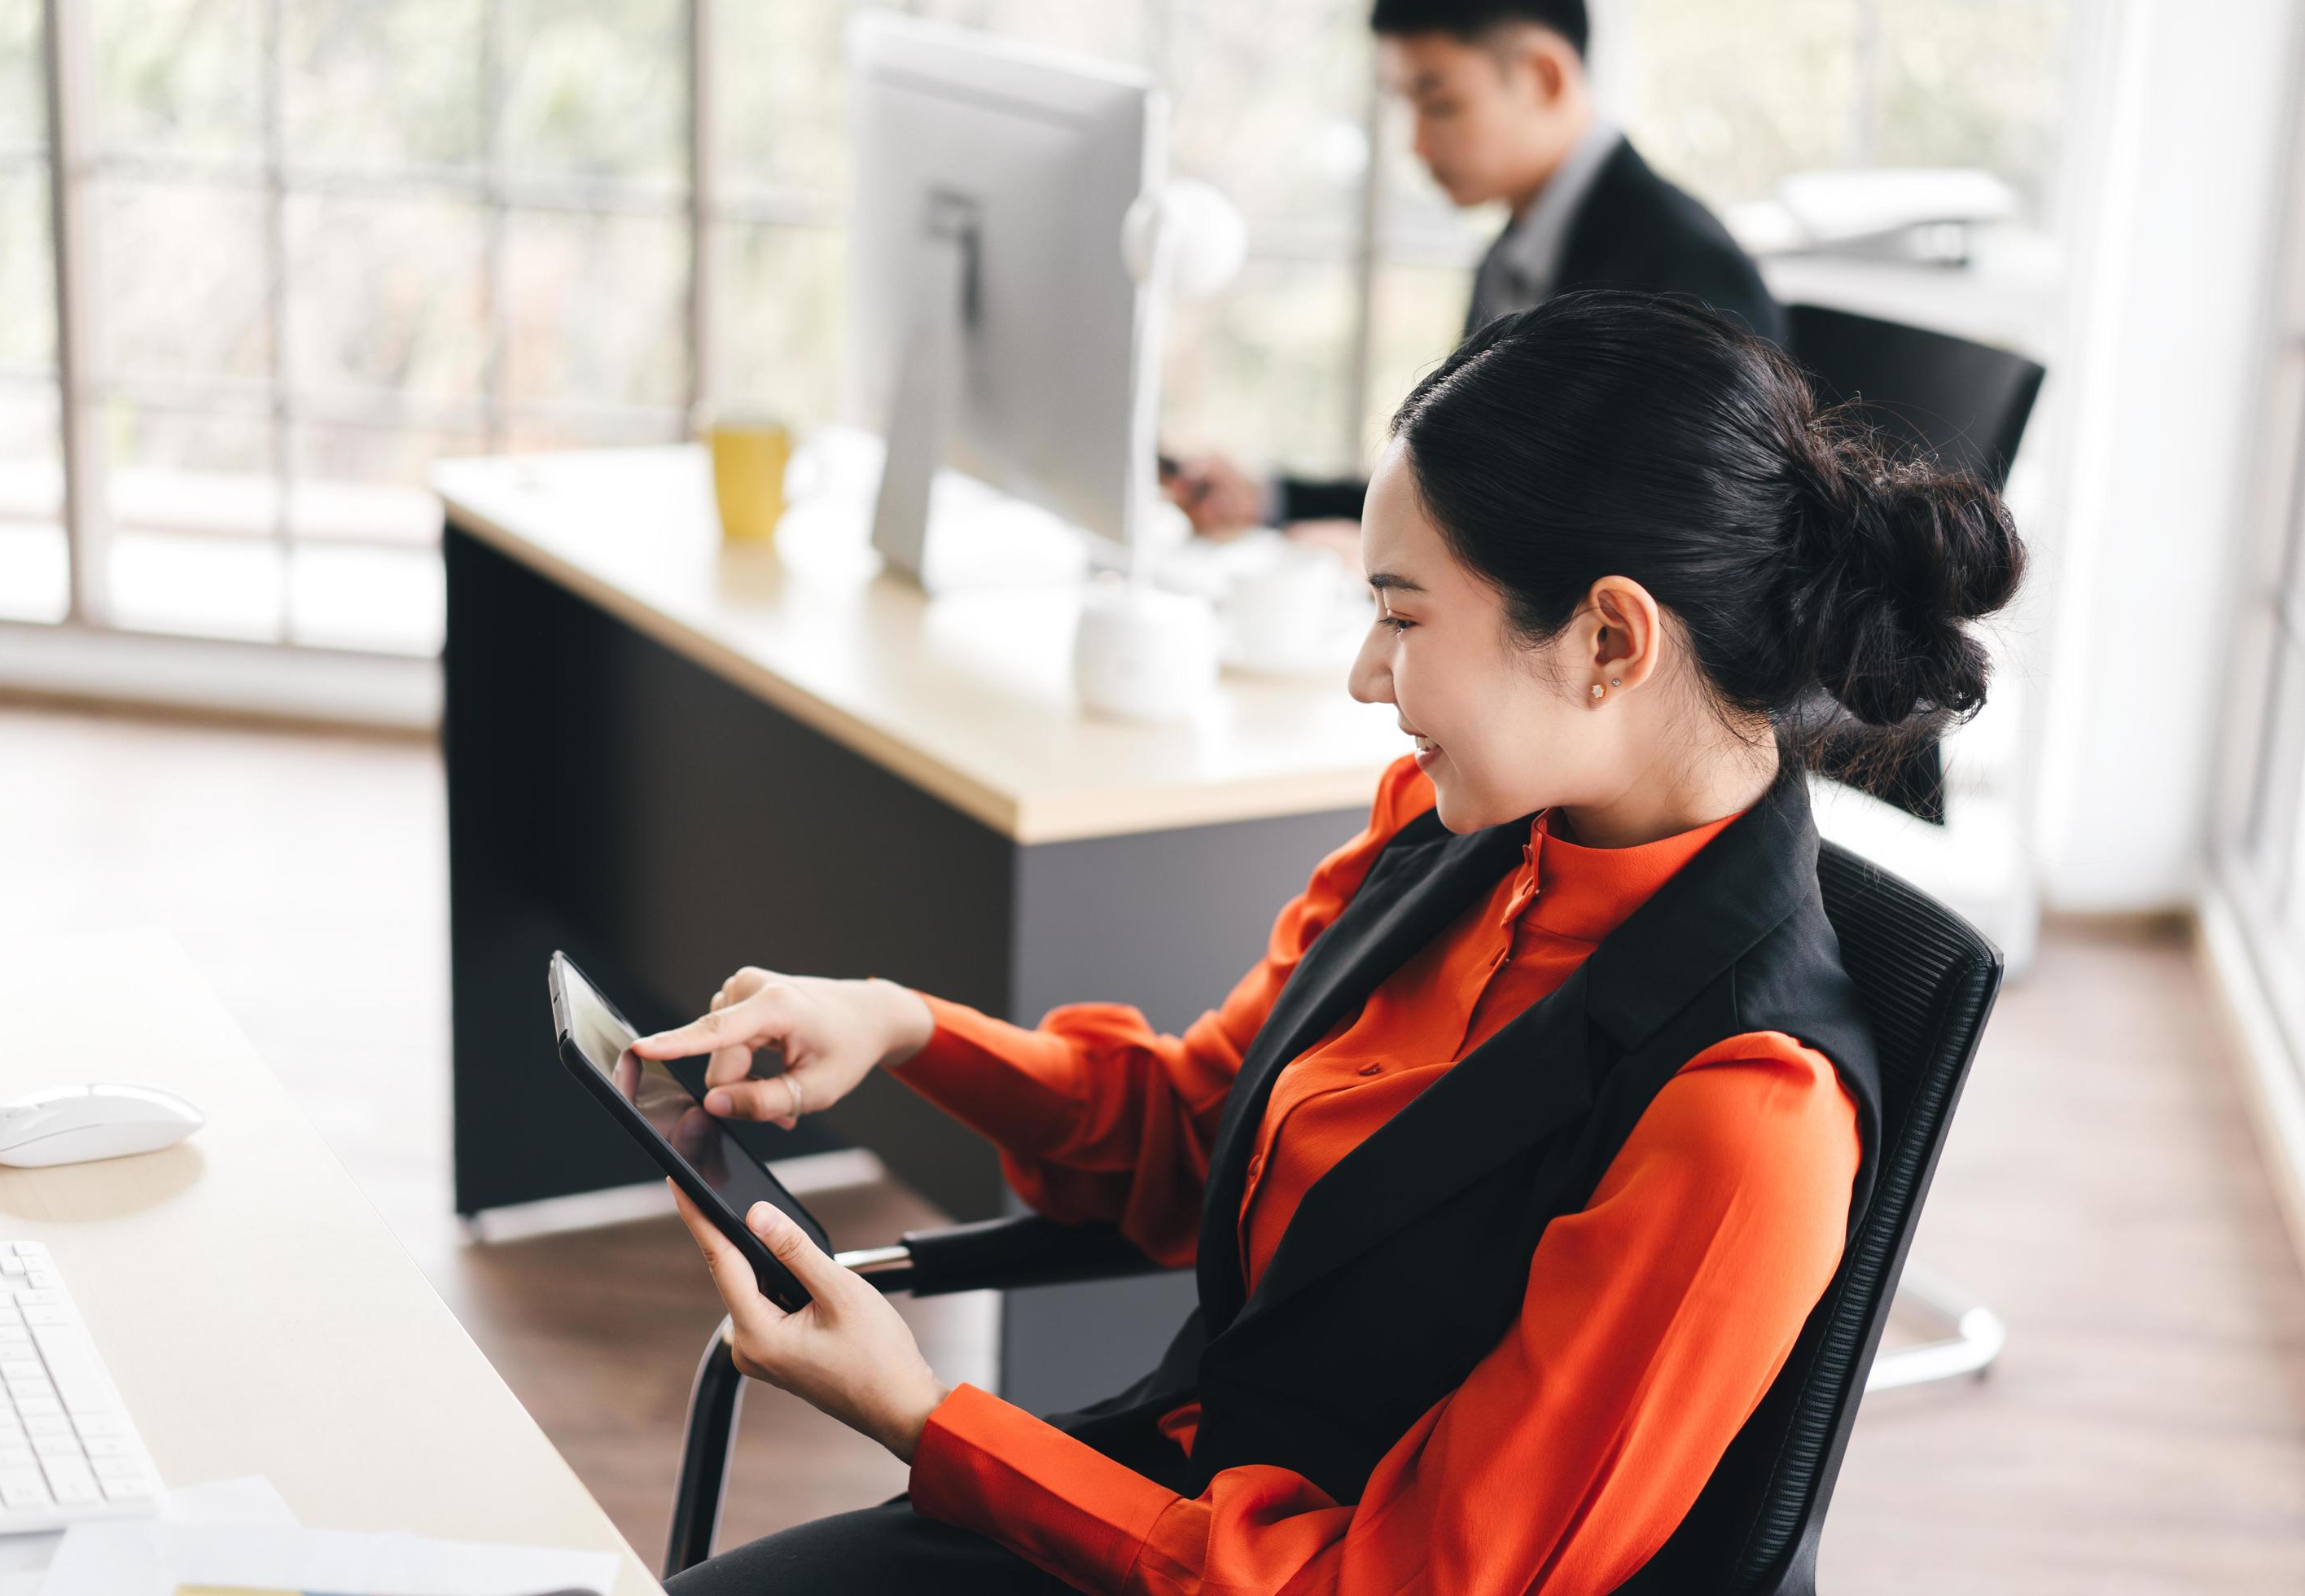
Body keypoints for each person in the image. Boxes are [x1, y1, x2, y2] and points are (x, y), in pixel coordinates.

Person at [645, 291, 2023, 1595]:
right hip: (1161, 1519)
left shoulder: (1744, 1124)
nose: (1367, 675)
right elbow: (1199, 1135)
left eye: (1403, 615)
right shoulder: (1451, 840)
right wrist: (903, 1028)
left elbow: (1398, 1582)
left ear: (1610, 641)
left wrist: (925, 1415)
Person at [1168, 0, 1786, 542]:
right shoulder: (1511, 253)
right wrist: (1275, 499)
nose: (1415, 142)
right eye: (1403, 103)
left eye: (1438, 103)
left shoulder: (1690, 272)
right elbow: (1467, 489)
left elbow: (1689, 548)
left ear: (1544, 77)